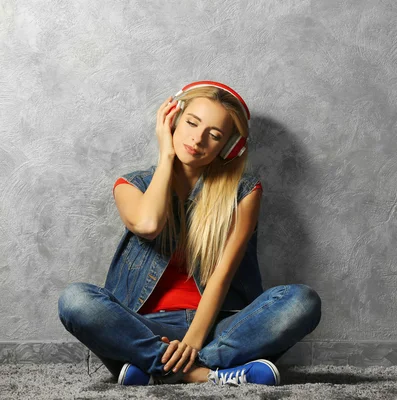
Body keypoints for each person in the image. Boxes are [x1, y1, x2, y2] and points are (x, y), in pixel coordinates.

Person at [57, 81, 322, 386]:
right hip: (142, 328)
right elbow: (149, 225)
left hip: (220, 327)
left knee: (303, 301)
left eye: (215, 135)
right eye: (192, 123)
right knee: (75, 300)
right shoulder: (132, 186)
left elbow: (222, 276)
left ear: (229, 147)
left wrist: (194, 343)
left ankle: (156, 370)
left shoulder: (244, 192)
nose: (197, 139)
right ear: (173, 120)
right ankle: (211, 375)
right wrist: (166, 155)